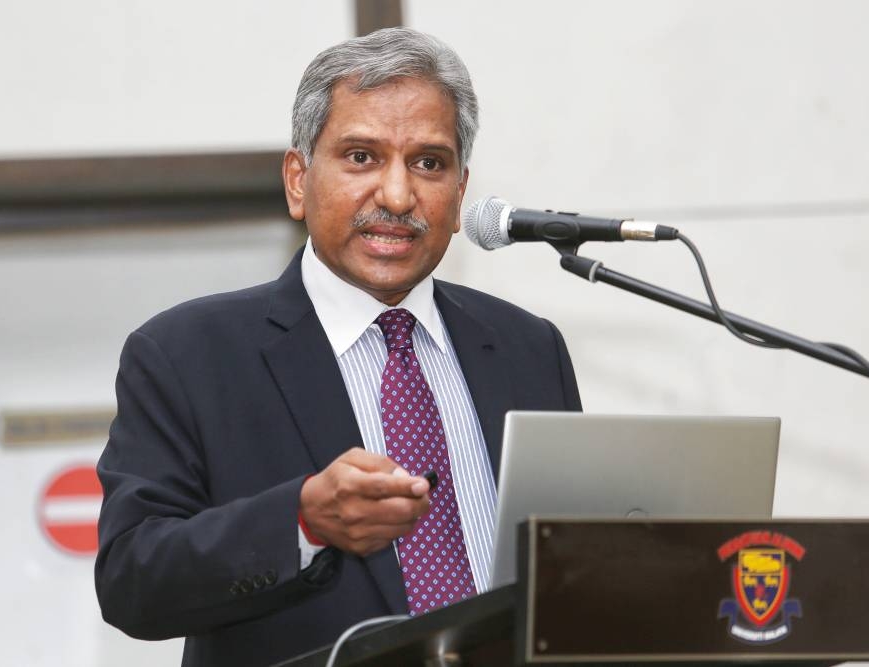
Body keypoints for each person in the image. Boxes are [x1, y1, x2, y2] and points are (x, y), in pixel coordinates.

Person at [94, 27, 582, 667]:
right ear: (298, 180)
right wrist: (301, 523)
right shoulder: (185, 355)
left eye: (429, 163)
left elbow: (572, 572)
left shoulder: (528, 347)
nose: (398, 195)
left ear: (460, 196)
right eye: (361, 157)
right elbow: (133, 583)